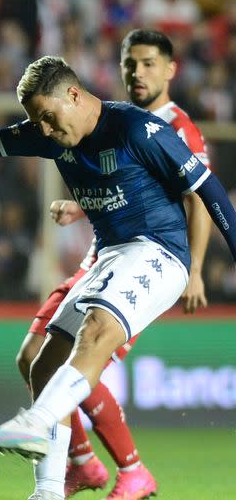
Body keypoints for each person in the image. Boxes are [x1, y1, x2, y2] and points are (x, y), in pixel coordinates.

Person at [0, 56, 236, 500]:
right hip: (110, 255)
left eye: (49, 118)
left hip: (158, 252)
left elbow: (207, 189)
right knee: (43, 365)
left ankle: (34, 425)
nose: (46, 131)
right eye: (39, 122)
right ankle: (49, 491)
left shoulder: (135, 129)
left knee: (97, 331)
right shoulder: (48, 131)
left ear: (73, 94)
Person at [15, 29, 211, 499]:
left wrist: (198, 268)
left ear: (169, 70)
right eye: (130, 64)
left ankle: (131, 469)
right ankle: (82, 462)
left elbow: (197, 198)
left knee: (85, 358)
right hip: (100, 254)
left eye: (147, 64)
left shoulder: (171, 125)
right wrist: (81, 207)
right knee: (32, 359)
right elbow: (123, 184)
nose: (137, 73)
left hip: (142, 256)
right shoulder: (107, 121)